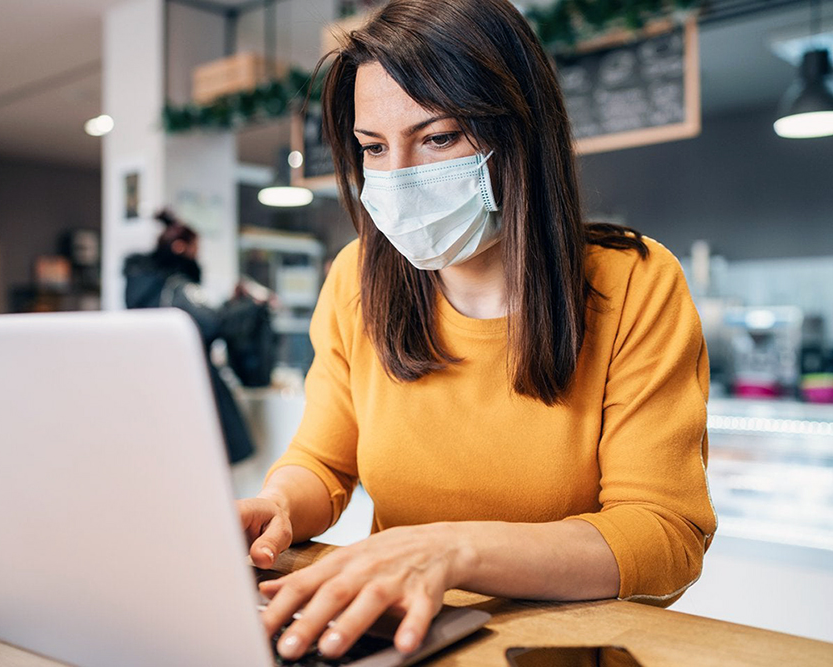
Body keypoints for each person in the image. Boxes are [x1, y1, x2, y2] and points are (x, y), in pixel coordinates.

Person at [238, 0, 717, 662]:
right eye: (373, 147)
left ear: (520, 132)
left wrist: (450, 549)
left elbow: (663, 536)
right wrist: (280, 503)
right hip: (403, 640)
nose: (398, 177)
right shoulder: (356, 278)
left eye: (437, 138)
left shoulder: (636, 282)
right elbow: (322, 461)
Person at [123, 210, 256, 464]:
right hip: (189, 384)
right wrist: (241, 306)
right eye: (196, 247)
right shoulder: (180, 288)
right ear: (182, 248)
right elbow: (212, 323)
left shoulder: (140, 286)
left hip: (152, 384)